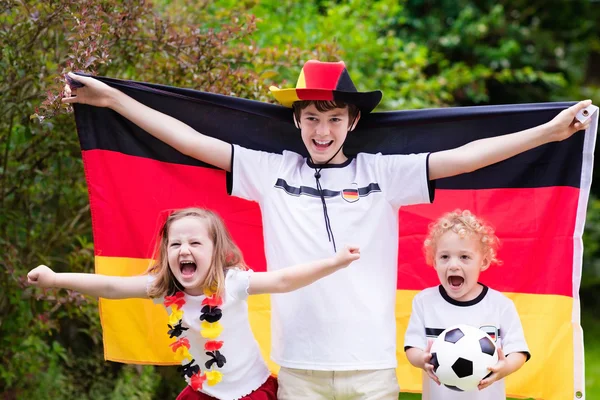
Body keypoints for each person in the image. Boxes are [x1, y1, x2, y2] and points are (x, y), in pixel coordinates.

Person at [62, 60, 590, 399]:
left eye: (335, 118)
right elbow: (190, 141)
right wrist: (112, 100)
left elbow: (466, 159)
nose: (322, 129)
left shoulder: (383, 173)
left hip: (371, 365)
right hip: (298, 366)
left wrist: (547, 132)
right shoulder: (270, 172)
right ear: (296, 120)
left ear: (353, 122)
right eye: (312, 117)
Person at [27, 207, 360, 400]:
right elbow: (112, 286)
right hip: (202, 393)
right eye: (175, 244)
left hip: (251, 391)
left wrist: (335, 262)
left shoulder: (233, 283)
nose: (183, 249)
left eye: (195, 242)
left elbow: (284, 280)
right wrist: (56, 278)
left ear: (216, 250)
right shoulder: (162, 288)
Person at [404, 209, 530, 399]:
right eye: (445, 257)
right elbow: (412, 347)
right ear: (434, 261)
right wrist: (421, 360)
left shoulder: (500, 305)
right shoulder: (424, 302)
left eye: (464, 257)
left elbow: (518, 351)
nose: (453, 265)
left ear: (484, 262)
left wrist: (505, 367)